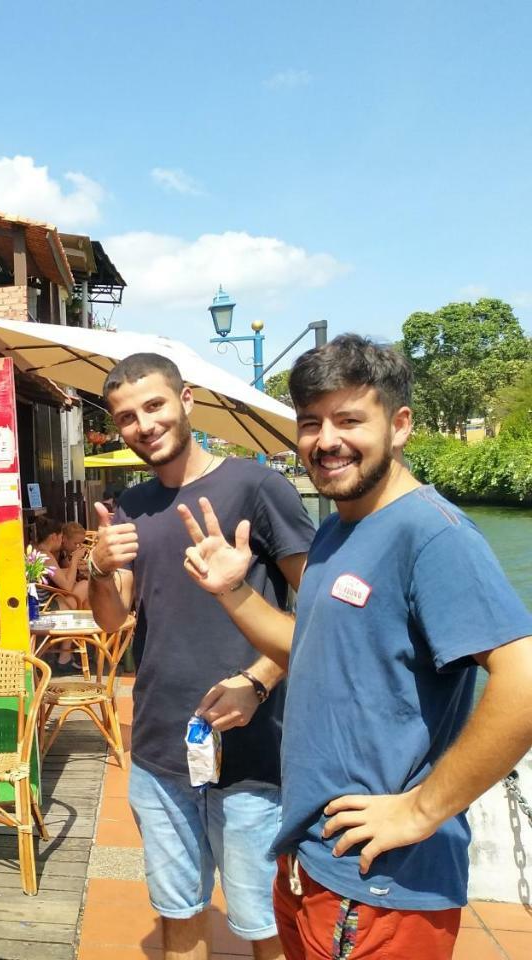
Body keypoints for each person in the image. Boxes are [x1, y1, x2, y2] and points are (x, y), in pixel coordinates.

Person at [179, 335, 532, 960]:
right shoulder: (342, 527)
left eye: (349, 419)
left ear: (399, 426)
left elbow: (523, 677)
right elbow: (313, 645)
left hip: (383, 884)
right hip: (315, 857)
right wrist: (234, 591)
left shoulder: (432, 533)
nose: (326, 440)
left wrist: (422, 809)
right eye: (311, 422)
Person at [87, 353, 314, 960]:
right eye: (127, 416)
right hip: (161, 750)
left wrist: (260, 680)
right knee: (177, 914)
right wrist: (98, 569)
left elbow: (323, 614)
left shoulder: (257, 486)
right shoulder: (130, 504)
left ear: (186, 399)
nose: (144, 425)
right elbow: (113, 620)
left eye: (155, 405)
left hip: (252, 752)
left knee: (264, 924)